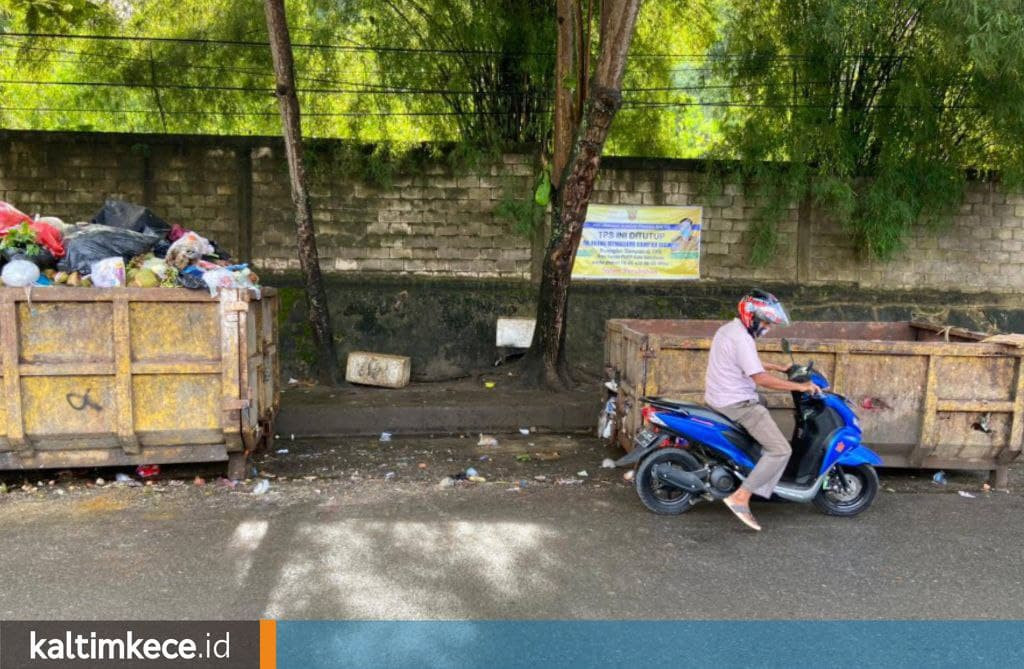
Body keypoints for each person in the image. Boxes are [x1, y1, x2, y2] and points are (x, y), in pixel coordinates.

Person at [704, 290, 820, 531]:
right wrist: (802, 386)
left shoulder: (729, 330)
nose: (767, 327)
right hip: (737, 404)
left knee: (764, 403)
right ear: (752, 317)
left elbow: (748, 362)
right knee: (780, 450)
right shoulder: (741, 338)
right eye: (765, 322)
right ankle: (741, 497)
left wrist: (779, 366)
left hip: (720, 398)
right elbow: (760, 378)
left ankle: (753, 468)